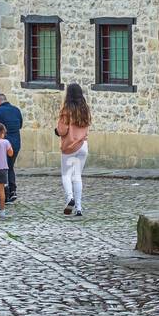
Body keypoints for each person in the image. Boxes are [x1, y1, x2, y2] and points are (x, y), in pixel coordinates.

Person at [54, 83, 91, 217]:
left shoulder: (66, 111)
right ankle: (79, 207)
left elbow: (62, 130)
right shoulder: (85, 109)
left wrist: (57, 131)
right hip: (83, 146)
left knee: (66, 175)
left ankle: (70, 198)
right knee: (77, 176)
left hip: (70, 147)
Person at [0, 93, 23, 201]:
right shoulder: (16, 110)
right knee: (10, 166)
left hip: (1, 144)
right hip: (16, 144)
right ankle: (13, 191)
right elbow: (20, 125)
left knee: (3, 168)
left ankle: (6, 193)